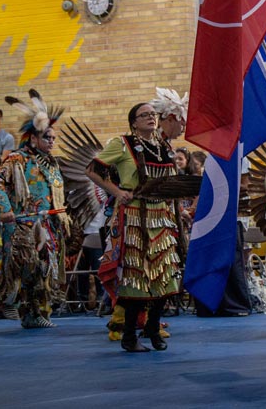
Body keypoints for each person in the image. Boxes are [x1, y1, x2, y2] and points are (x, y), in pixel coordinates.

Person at [86, 103, 181, 352]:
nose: (150, 118)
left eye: (153, 114)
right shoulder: (123, 143)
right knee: (135, 277)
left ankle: (151, 327)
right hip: (135, 217)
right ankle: (129, 335)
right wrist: (118, 191)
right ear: (134, 122)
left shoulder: (163, 147)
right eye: (144, 115)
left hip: (161, 217)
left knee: (165, 276)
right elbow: (93, 170)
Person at [0, 90, 68, 329]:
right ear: (33, 138)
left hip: (48, 224)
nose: (52, 142)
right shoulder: (17, 158)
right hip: (23, 224)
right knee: (28, 268)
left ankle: (40, 312)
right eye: (47, 137)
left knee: (46, 269)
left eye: (54, 138)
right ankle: (25, 311)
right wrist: (4, 209)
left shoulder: (52, 162)